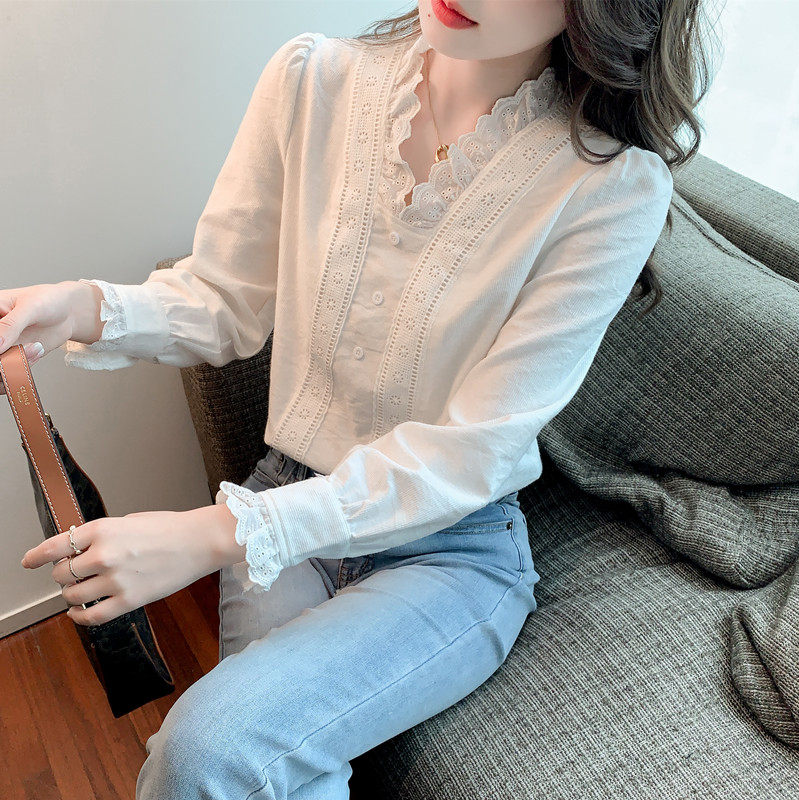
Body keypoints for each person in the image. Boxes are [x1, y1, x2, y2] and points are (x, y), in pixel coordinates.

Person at [3, 1, 711, 797]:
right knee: (251, 769)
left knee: (204, 751)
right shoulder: (312, 79)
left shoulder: (611, 188)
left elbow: (468, 455)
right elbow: (223, 300)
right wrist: (82, 307)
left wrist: (214, 535)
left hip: (449, 552)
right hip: (288, 501)